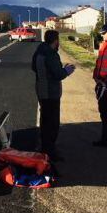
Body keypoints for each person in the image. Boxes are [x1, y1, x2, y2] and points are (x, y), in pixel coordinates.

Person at [31, 30, 75, 160]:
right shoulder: (51, 54)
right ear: (55, 41)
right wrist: (67, 70)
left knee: (45, 119)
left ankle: (44, 147)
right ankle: (49, 151)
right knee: (52, 123)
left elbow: (34, 67)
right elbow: (58, 74)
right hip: (51, 93)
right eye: (58, 41)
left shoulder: (39, 51)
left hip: (41, 89)